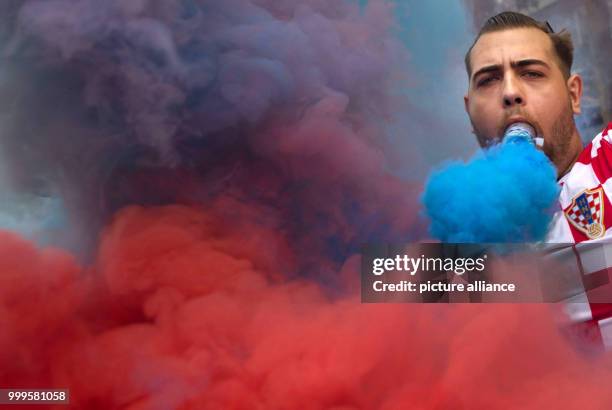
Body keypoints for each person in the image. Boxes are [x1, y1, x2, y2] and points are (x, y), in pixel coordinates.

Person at [463, 11, 612, 349]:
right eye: (488, 80)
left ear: (574, 95)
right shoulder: (460, 246)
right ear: (469, 112)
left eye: (531, 73)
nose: (511, 93)